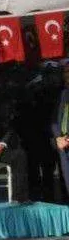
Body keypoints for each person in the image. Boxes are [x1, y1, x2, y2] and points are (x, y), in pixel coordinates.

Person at [50, 62, 69, 201]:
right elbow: (54, 120)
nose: (67, 75)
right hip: (63, 145)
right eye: (65, 72)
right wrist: (58, 138)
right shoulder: (63, 94)